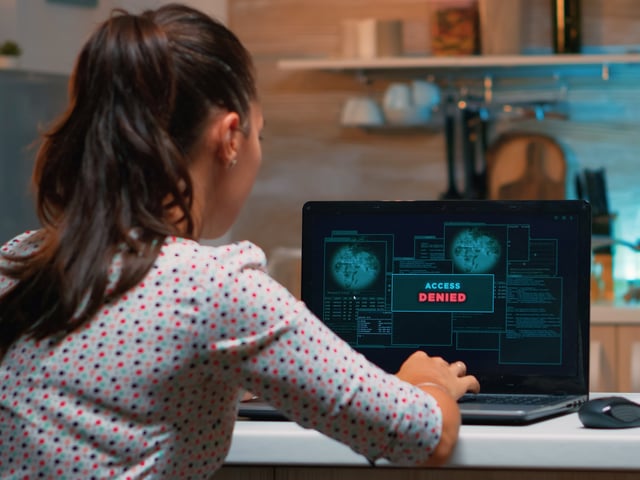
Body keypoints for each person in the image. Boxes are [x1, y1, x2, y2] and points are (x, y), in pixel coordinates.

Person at [0, 3, 480, 478]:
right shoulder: (213, 286)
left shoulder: (18, 262)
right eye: (259, 137)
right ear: (230, 137)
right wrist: (427, 384)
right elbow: (426, 435)